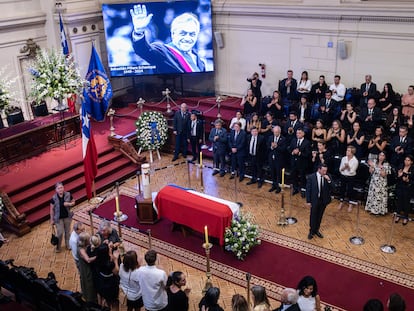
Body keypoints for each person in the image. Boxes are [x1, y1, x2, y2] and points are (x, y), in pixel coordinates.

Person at [130, 5, 206, 73]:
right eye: (183, 33)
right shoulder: (162, 51)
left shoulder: (200, 62)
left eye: (192, 34)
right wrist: (138, 31)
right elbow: (144, 50)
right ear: (173, 34)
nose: (187, 38)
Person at [88, 234, 120, 310]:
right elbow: (116, 272)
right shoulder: (109, 263)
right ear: (106, 253)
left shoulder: (98, 259)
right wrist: (115, 259)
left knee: (107, 301)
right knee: (114, 302)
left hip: (101, 282)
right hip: (111, 284)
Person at [306, 163, 332, 240]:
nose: (325, 172)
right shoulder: (311, 177)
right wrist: (308, 201)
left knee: (319, 216)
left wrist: (329, 180)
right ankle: (311, 231)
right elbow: (308, 190)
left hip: (323, 201)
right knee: (313, 215)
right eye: (323, 171)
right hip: (314, 200)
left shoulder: (328, 176)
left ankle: (317, 230)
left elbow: (333, 187)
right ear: (319, 169)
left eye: (326, 171)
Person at [50, 182, 75, 253]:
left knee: (67, 232)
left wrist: (69, 204)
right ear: (56, 190)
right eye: (58, 188)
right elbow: (51, 210)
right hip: (58, 218)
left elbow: (73, 202)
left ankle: (68, 245)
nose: (60, 189)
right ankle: (58, 247)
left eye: (61, 187)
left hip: (67, 216)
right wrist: (51, 219)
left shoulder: (68, 194)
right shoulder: (53, 198)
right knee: (60, 233)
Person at [288, 128, 311, 195]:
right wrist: (292, 152)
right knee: (294, 176)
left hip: (302, 163)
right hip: (294, 162)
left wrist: (299, 153)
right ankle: (295, 189)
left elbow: (308, 154)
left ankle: (303, 190)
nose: (298, 134)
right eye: (297, 133)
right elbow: (289, 149)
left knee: (302, 177)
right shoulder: (293, 140)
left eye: (299, 133)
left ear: (303, 134)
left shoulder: (307, 142)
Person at [77, 231, 98, 304]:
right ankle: (91, 301)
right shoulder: (81, 249)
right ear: (85, 241)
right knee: (89, 284)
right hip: (86, 269)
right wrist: (98, 256)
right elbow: (88, 260)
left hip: (86, 267)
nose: (90, 240)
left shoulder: (83, 245)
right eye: (89, 239)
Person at [338, 146, 359, 212]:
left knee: (350, 190)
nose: (347, 152)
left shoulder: (355, 161)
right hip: (343, 176)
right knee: (342, 189)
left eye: (348, 151)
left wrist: (348, 167)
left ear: (352, 152)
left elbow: (352, 171)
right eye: (347, 150)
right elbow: (340, 169)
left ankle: (350, 203)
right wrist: (344, 167)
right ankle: (341, 202)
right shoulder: (344, 158)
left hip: (351, 177)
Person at [395, 155, 414, 226]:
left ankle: (405, 217)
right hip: (400, 186)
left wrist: (408, 180)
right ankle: (398, 215)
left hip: (408, 188)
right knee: (399, 201)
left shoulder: (413, 169)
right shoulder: (401, 166)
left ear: (411, 162)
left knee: (406, 203)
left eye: (408, 160)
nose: (406, 161)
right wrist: (399, 176)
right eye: (405, 160)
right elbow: (397, 177)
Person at [268, 126, 286, 193]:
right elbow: (267, 147)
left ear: (279, 132)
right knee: (272, 173)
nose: (275, 133)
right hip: (271, 158)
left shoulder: (283, 139)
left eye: (276, 132)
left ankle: (278, 187)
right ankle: (273, 185)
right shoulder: (270, 138)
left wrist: (276, 146)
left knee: (278, 173)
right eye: (274, 132)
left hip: (279, 159)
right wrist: (271, 147)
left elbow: (284, 149)